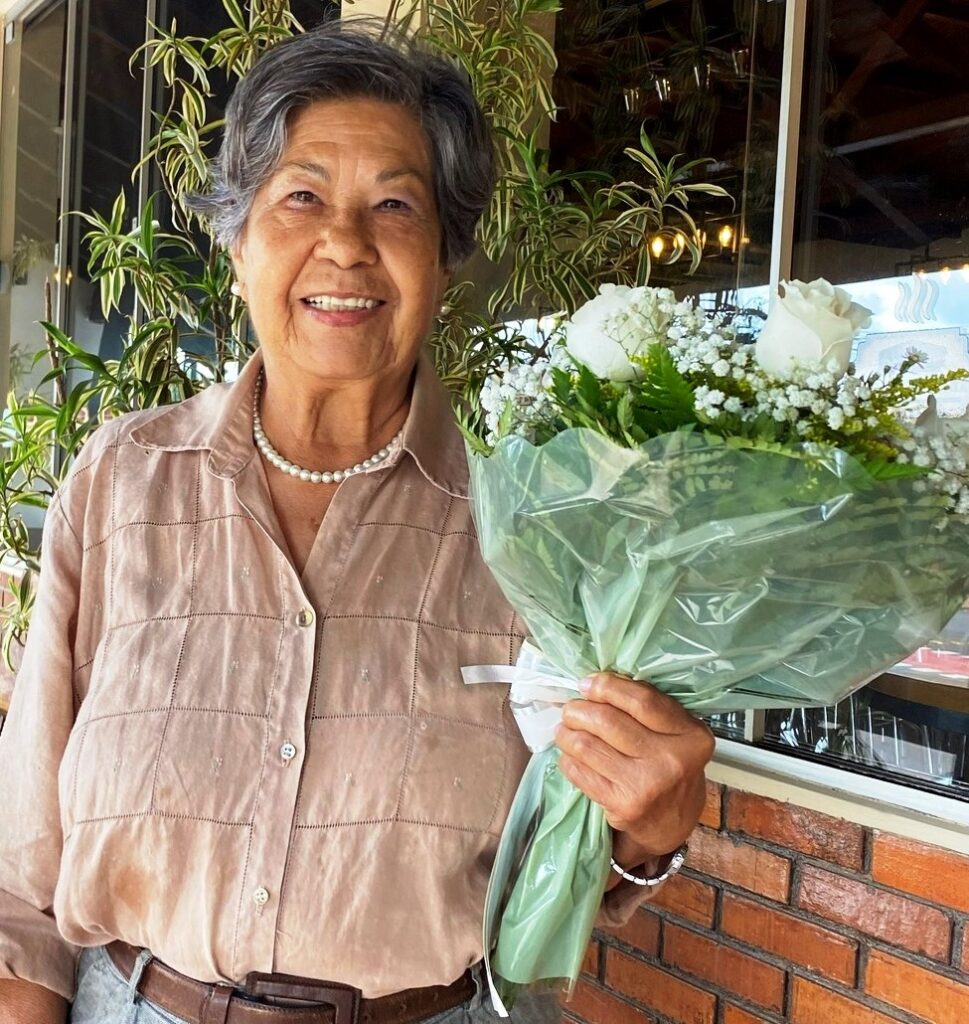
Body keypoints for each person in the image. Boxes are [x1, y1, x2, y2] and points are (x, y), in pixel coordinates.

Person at [0, 20, 714, 1024]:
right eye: (300, 197)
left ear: (444, 254)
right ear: (239, 237)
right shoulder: (123, 483)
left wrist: (650, 829)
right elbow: (22, 865)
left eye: (394, 203)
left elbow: (570, 862)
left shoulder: (541, 525)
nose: (345, 242)